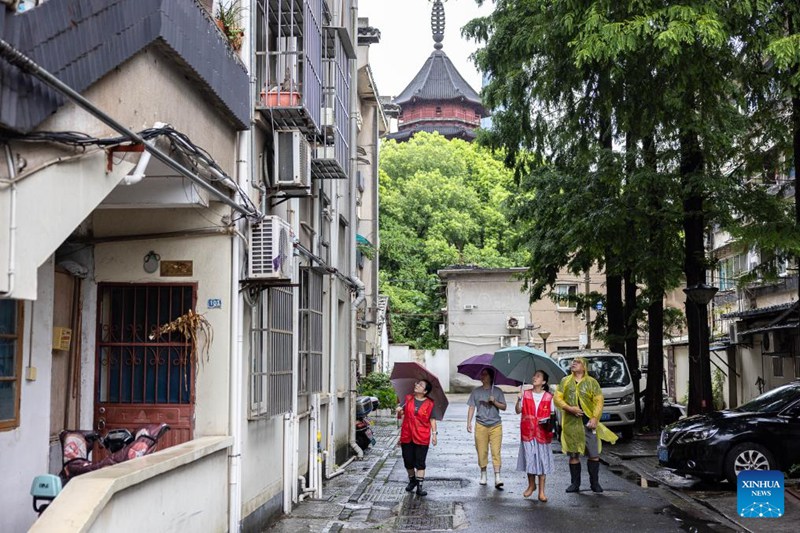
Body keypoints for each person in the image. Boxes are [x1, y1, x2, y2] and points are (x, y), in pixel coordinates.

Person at [554, 357, 618, 493]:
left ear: (584, 367)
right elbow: (557, 398)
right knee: (573, 454)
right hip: (571, 425)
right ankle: (575, 484)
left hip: (588, 424)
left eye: (577, 362)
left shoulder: (592, 383)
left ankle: (594, 483)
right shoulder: (565, 381)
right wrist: (569, 408)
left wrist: (595, 418)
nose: (573, 364)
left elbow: (598, 401)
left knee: (593, 454)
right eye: (573, 362)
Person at [515, 370, 555, 502]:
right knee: (530, 459)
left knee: (542, 461)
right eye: (534, 375)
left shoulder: (549, 397)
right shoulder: (525, 394)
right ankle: (531, 485)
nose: (534, 377)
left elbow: (553, 415)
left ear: (543, 382)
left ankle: (542, 492)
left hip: (542, 433)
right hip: (528, 431)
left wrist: (548, 424)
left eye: (538, 376)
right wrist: (519, 399)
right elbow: (518, 410)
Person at [466, 367, 507, 489]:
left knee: (496, 451)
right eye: (481, 374)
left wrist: (494, 402)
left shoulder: (498, 391)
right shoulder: (476, 392)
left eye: (485, 374)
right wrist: (469, 422)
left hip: (496, 425)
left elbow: (504, 407)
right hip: (481, 425)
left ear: (490, 377)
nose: (482, 376)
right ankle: (483, 474)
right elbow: (472, 407)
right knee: (481, 451)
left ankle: (497, 477)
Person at [397, 379, 438, 496]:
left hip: (422, 435)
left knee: (420, 462)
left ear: (425, 391)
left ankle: (420, 487)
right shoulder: (408, 398)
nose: (416, 385)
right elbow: (403, 415)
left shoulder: (430, 403)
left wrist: (434, 434)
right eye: (417, 383)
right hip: (407, 434)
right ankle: (412, 480)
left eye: (420, 385)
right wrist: (399, 412)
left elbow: (432, 419)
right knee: (408, 461)